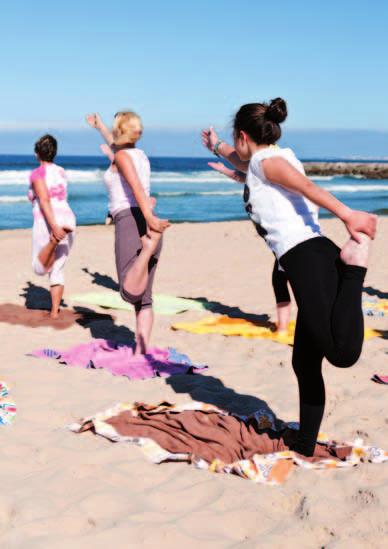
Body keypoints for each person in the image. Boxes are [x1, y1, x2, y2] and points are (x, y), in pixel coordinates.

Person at [202, 98, 377, 456]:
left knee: (342, 354)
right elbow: (247, 163)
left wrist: (348, 216)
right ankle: (306, 443)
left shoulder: (271, 162)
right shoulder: (268, 159)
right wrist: (219, 149)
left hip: (309, 258)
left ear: (243, 135)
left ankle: (355, 267)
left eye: (234, 142)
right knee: (304, 362)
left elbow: (308, 188)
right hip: (304, 258)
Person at [86, 111, 169, 354]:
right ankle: (140, 350)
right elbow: (139, 186)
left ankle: (147, 250)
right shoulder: (138, 155)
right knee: (145, 299)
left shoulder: (122, 157)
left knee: (128, 291)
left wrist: (150, 220)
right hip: (142, 219)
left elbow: (136, 189)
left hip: (130, 221)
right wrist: (99, 126)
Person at [203, 157, 292, 333]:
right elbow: (245, 177)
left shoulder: (271, 175)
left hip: (287, 241)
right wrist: (224, 170)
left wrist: (219, 148)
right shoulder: (258, 178)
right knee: (279, 281)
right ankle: (283, 326)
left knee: (287, 281)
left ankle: (289, 326)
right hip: (278, 244)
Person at [28, 135, 76, 319]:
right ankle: (55, 311)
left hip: (48, 223)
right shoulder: (62, 171)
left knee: (38, 268)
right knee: (57, 268)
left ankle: (53, 241)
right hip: (69, 221)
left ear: (36, 154)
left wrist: (54, 228)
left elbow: (45, 199)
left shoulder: (36, 174)